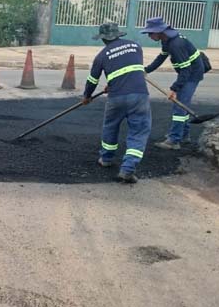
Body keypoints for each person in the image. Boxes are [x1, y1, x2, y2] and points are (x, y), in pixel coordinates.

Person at [83, 22, 152, 184]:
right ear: (119, 35)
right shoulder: (135, 46)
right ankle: (128, 169)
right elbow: (131, 69)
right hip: (139, 96)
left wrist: (87, 96)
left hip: (116, 98)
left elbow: (92, 80)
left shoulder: (101, 56)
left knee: (110, 126)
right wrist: (113, 82)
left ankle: (106, 158)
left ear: (103, 39)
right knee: (139, 131)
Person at [141, 17, 207, 150]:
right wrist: (146, 70)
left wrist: (174, 89)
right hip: (188, 72)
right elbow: (160, 58)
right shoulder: (167, 40)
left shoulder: (176, 45)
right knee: (183, 104)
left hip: (192, 74)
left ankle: (174, 140)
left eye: (150, 33)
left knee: (179, 106)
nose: (148, 36)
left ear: (159, 31)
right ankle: (183, 135)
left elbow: (186, 70)